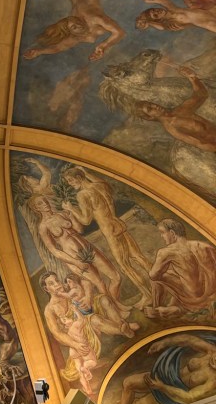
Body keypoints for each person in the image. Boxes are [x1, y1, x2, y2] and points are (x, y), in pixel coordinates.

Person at [62, 166, 152, 306]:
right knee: (139, 257)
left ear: (78, 178)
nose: (70, 183)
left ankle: (147, 295)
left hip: (109, 230)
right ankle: (162, 285)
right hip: (118, 223)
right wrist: (85, 172)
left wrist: (71, 209)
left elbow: (86, 220)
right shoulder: (99, 185)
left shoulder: (83, 195)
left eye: (70, 180)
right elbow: (103, 183)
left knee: (125, 265)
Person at [134, 65, 216, 153]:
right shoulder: (172, 127)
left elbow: (202, 95)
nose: (155, 106)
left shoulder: (180, 110)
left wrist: (192, 77)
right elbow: (198, 143)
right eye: (150, 109)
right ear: (149, 117)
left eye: (151, 104)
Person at [144, 218, 216, 318]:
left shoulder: (166, 252)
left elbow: (153, 276)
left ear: (172, 233)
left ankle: (156, 310)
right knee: (177, 275)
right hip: (213, 293)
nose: (161, 236)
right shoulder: (205, 246)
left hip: (195, 298)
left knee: (156, 277)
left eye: (163, 232)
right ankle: (174, 307)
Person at [136, 0, 216, 34]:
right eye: (155, 15)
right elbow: (161, 27)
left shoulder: (171, 8)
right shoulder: (170, 22)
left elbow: (163, 1)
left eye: (154, 10)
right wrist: (148, 22)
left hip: (208, 12)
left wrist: (150, 0)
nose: (157, 12)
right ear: (158, 19)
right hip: (205, 22)